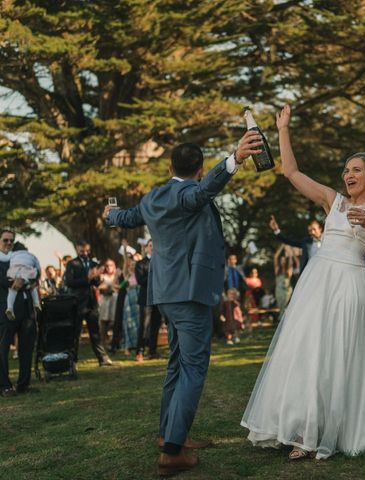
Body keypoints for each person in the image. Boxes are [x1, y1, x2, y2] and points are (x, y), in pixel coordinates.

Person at [241, 104, 365, 460]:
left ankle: (327, 429)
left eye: (356, 170)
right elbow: (291, 171)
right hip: (318, 283)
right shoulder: (333, 201)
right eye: (346, 170)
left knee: (337, 357)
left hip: (350, 284)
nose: (348, 175)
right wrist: (283, 129)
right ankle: (299, 428)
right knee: (307, 353)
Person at [105, 133, 258, 476]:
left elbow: (126, 218)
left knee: (177, 364)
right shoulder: (191, 192)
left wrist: (110, 215)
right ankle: (173, 452)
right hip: (189, 293)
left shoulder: (153, 197)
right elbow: (204, 191)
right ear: (201, 168)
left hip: (164, 293)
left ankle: (169, 434)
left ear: (170, 167)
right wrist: (234, 158)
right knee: (193, 367)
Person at [0, 229, 37, 396]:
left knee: (27, 348)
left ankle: (24, 384)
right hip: (6, 310)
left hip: (26, 309)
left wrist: (25, 280)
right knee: (2, 349)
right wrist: (20, 280)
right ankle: (4, 385)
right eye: (5, 240)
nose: (8, 243)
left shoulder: (20, 257)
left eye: (11, 241)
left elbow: (35, 276)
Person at [64, 241, 113, 366]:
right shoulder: (72, 264)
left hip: (91, 302)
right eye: (82, 251)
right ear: (77, 249)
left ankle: (102, 358)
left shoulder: (93, 263)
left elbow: (96, 283)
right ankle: (72, 360)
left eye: (86, 251)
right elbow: (69, 282)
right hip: (77, 302)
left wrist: (98, 277)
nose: (84, 253)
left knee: (95, 332)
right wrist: (88, 278)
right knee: (75, 333)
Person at [135, 240, 163, 361]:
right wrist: (154, 272)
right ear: (146, 248)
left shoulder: (161, 262)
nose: (152, 248)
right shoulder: (141, 263)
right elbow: (141, 280)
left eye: (154, 246)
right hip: (146, 299)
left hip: (158, 298)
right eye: (150, 246)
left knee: (156, 325)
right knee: (144, 326)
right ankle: (139, 351)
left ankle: (152, 351)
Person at [5, 242, 41, 321]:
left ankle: (9, 307)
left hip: (15, 272)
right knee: (32, 287)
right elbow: (38, 267)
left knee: (13, 290)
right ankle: (36, 303)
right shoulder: (31, 255)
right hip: (28, 272)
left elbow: (6, 263)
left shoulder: (12, 254)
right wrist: (37, 277)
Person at [97, 258, 119, 349]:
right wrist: (108, 287)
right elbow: (99, 287)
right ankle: (103, 341)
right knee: (103, 321)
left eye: (111, 265)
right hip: (105, 299)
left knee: (114, 321)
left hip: (114, 299)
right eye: (107, 265)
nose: (109, 267)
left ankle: (114, 341)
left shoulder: (117, 275)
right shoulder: (102, 276)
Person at [273, 246, 294, 319]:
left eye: (284, 260)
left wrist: (288, 251)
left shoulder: (288, 271)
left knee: (286, 306)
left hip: (287, 291)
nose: (283, 261)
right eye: (281, 260)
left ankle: (285, 320)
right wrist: (282, 247)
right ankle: (281, 319)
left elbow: (291, 260)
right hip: (279, 291)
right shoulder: (277, 270)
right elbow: (275, 257)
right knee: (281, 306)